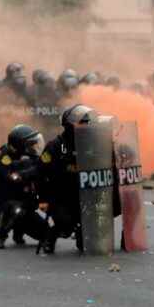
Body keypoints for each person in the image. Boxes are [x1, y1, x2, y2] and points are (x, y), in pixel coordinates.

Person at [37, 105, 96, 254]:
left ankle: (82, 234)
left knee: (90, 229)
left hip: (84, 194)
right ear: (69, 125)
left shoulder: (93, 144)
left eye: (86, 123)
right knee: (64, 225)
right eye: (81, 123)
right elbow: (41, 173)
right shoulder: (55, 146)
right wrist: (43, 199)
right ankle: (50, 236)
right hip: (60, 196)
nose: (85, 126)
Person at [0, 124, 49, 249]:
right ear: (19, 145)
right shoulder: (4, 158)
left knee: (46, 233)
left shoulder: (32, 157)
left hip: (27, 204)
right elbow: (13, 177)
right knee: (16, 209)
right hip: (6, 204)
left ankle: (19, 231)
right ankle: (1, 235)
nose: (33, 147)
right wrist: (30, 171)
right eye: (30, 144)